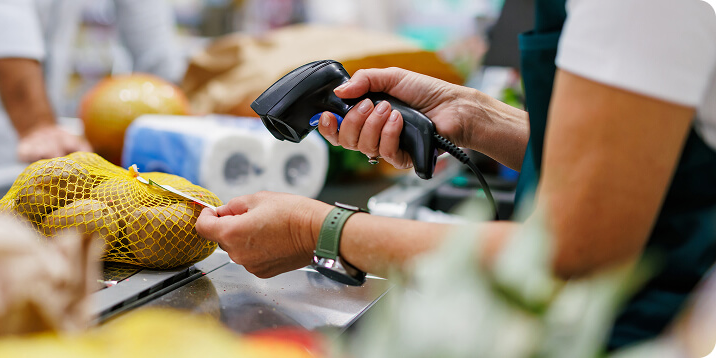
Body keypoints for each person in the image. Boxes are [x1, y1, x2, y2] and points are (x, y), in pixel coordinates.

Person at [196, 0, 716, 350]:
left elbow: (571, 254)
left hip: (631, 334)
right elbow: (628, 157)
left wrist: (318, 230)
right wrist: (474, 115)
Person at [0, 0, 182, 167]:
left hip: (44, 147)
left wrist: (178, 107)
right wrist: (37, 125)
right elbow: (2, 14)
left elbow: (151, 35)